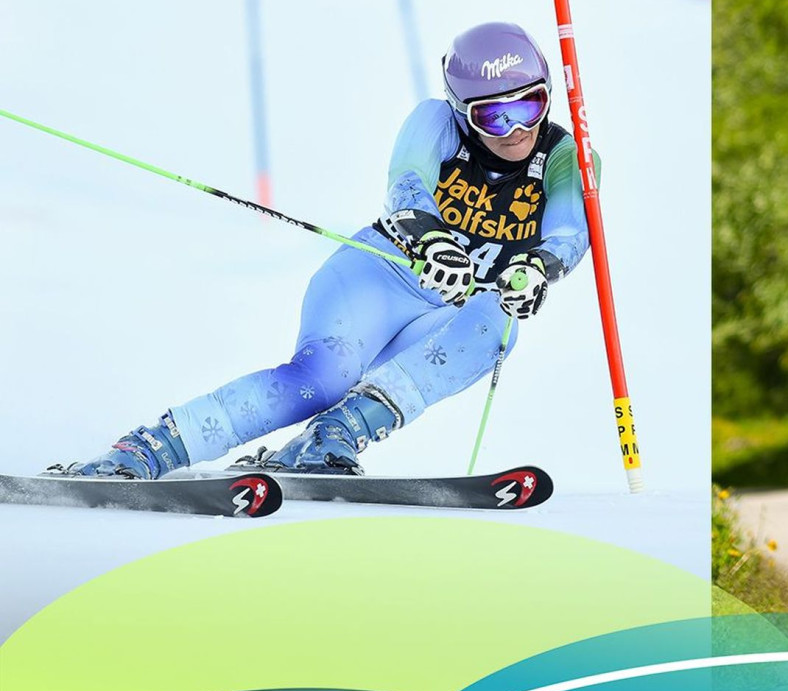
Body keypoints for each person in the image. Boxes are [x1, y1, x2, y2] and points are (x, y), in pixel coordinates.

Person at [67, 21, 593, 479]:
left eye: (531, 104)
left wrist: (536, 269)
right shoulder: (435, 121)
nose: (517, 129)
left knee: (499, 324)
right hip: (379, 280)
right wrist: (430, 238)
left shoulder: (564, 154)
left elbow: (570, 234)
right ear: (461, 111)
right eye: (494, 117)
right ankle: (148, 449)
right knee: (320, 380)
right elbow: (407, 185)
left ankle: (329, 438)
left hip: (449, 310)